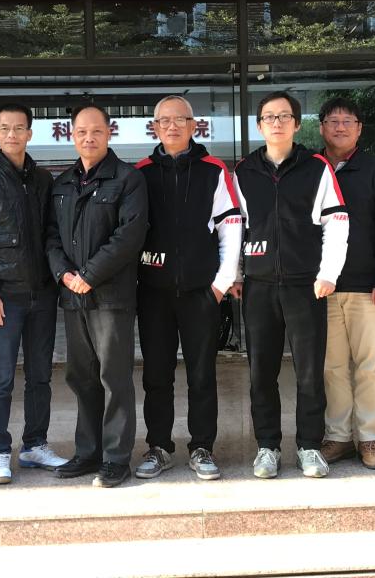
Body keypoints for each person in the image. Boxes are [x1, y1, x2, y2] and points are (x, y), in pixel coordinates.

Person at [231, 91, 349, 480]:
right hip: (259, 286)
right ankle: (267, 446)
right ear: (259, 125)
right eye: (269, 116)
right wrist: (235, 273)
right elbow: (234, 228)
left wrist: (328, 273)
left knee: (309, 372)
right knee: (261, 372)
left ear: (297, 124)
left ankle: (309, 446)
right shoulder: (244, 171)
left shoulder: (316, 167)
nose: (277, 122)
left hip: (306, 285)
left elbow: (337, 222)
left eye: (284, 116)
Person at [134, 96, 242, 481]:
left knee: (202, 374)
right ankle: (159, 447)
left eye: (180, 120)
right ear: (155, 128)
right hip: (153, 292)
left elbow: (231, 227)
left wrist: (220, 285)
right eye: (164, 121)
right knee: (156, 375)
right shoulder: (141, 173)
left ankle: (202, 447)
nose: (172, 126)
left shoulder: (214, 170)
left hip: (201, 292)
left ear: (193, 126)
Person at [46, 105, 148, 488]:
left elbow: (129, 235)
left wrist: (89, 275)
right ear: (71, 135)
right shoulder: (62, 182)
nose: (89, 138)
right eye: (81, 131)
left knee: (113, 377)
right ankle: (88, 452)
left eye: (96, 131)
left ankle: (116, 458)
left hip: (111, 298)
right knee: (81, 376)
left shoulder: (128, 179)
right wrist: (64, 273)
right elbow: (51, 237)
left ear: (109, 133)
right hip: (73, 296)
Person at [0, 103, 67, 485]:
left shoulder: (43, 179)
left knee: (40, 375)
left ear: (29, 133)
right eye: (5, 128)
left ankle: (35, 444)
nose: (12, 134)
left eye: (19, 128)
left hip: (42, 293)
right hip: (4, 296)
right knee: (1, 377)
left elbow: (52, 234)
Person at [317, 97, 375, 471]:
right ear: (321, 127)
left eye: (347, 121)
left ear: (359, 129)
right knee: (331, 367)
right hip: (322, 288)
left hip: (369, 288)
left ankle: (370, 437)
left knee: (370, 366)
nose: (340, 127)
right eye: (333, 121)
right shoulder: (311, 167)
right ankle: (338, 437)